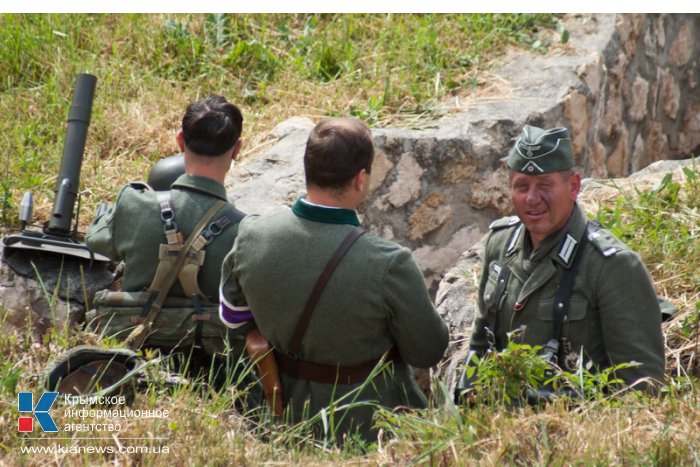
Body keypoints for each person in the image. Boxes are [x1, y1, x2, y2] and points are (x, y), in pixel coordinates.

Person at [219, 117, 449, 442]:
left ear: (307, 170)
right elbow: (427, 352)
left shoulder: (253, 235)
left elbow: (232, 318)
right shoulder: (390, 263)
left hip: (277, 418)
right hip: (369, 427)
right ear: (360, 179)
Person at [463, 124, 665, 396]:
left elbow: (642, 388)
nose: (532, 198)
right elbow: (479, 347)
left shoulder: (612, 266)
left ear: (573, 186)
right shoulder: (500, 244)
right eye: (521, 186)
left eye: (545, 185)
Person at [86, 95, 253, 382]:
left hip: (129, 353)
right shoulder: (247, 232)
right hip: (209, 368)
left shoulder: (134, 203)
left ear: (179, 141)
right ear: (237, 149)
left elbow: (95, 239)